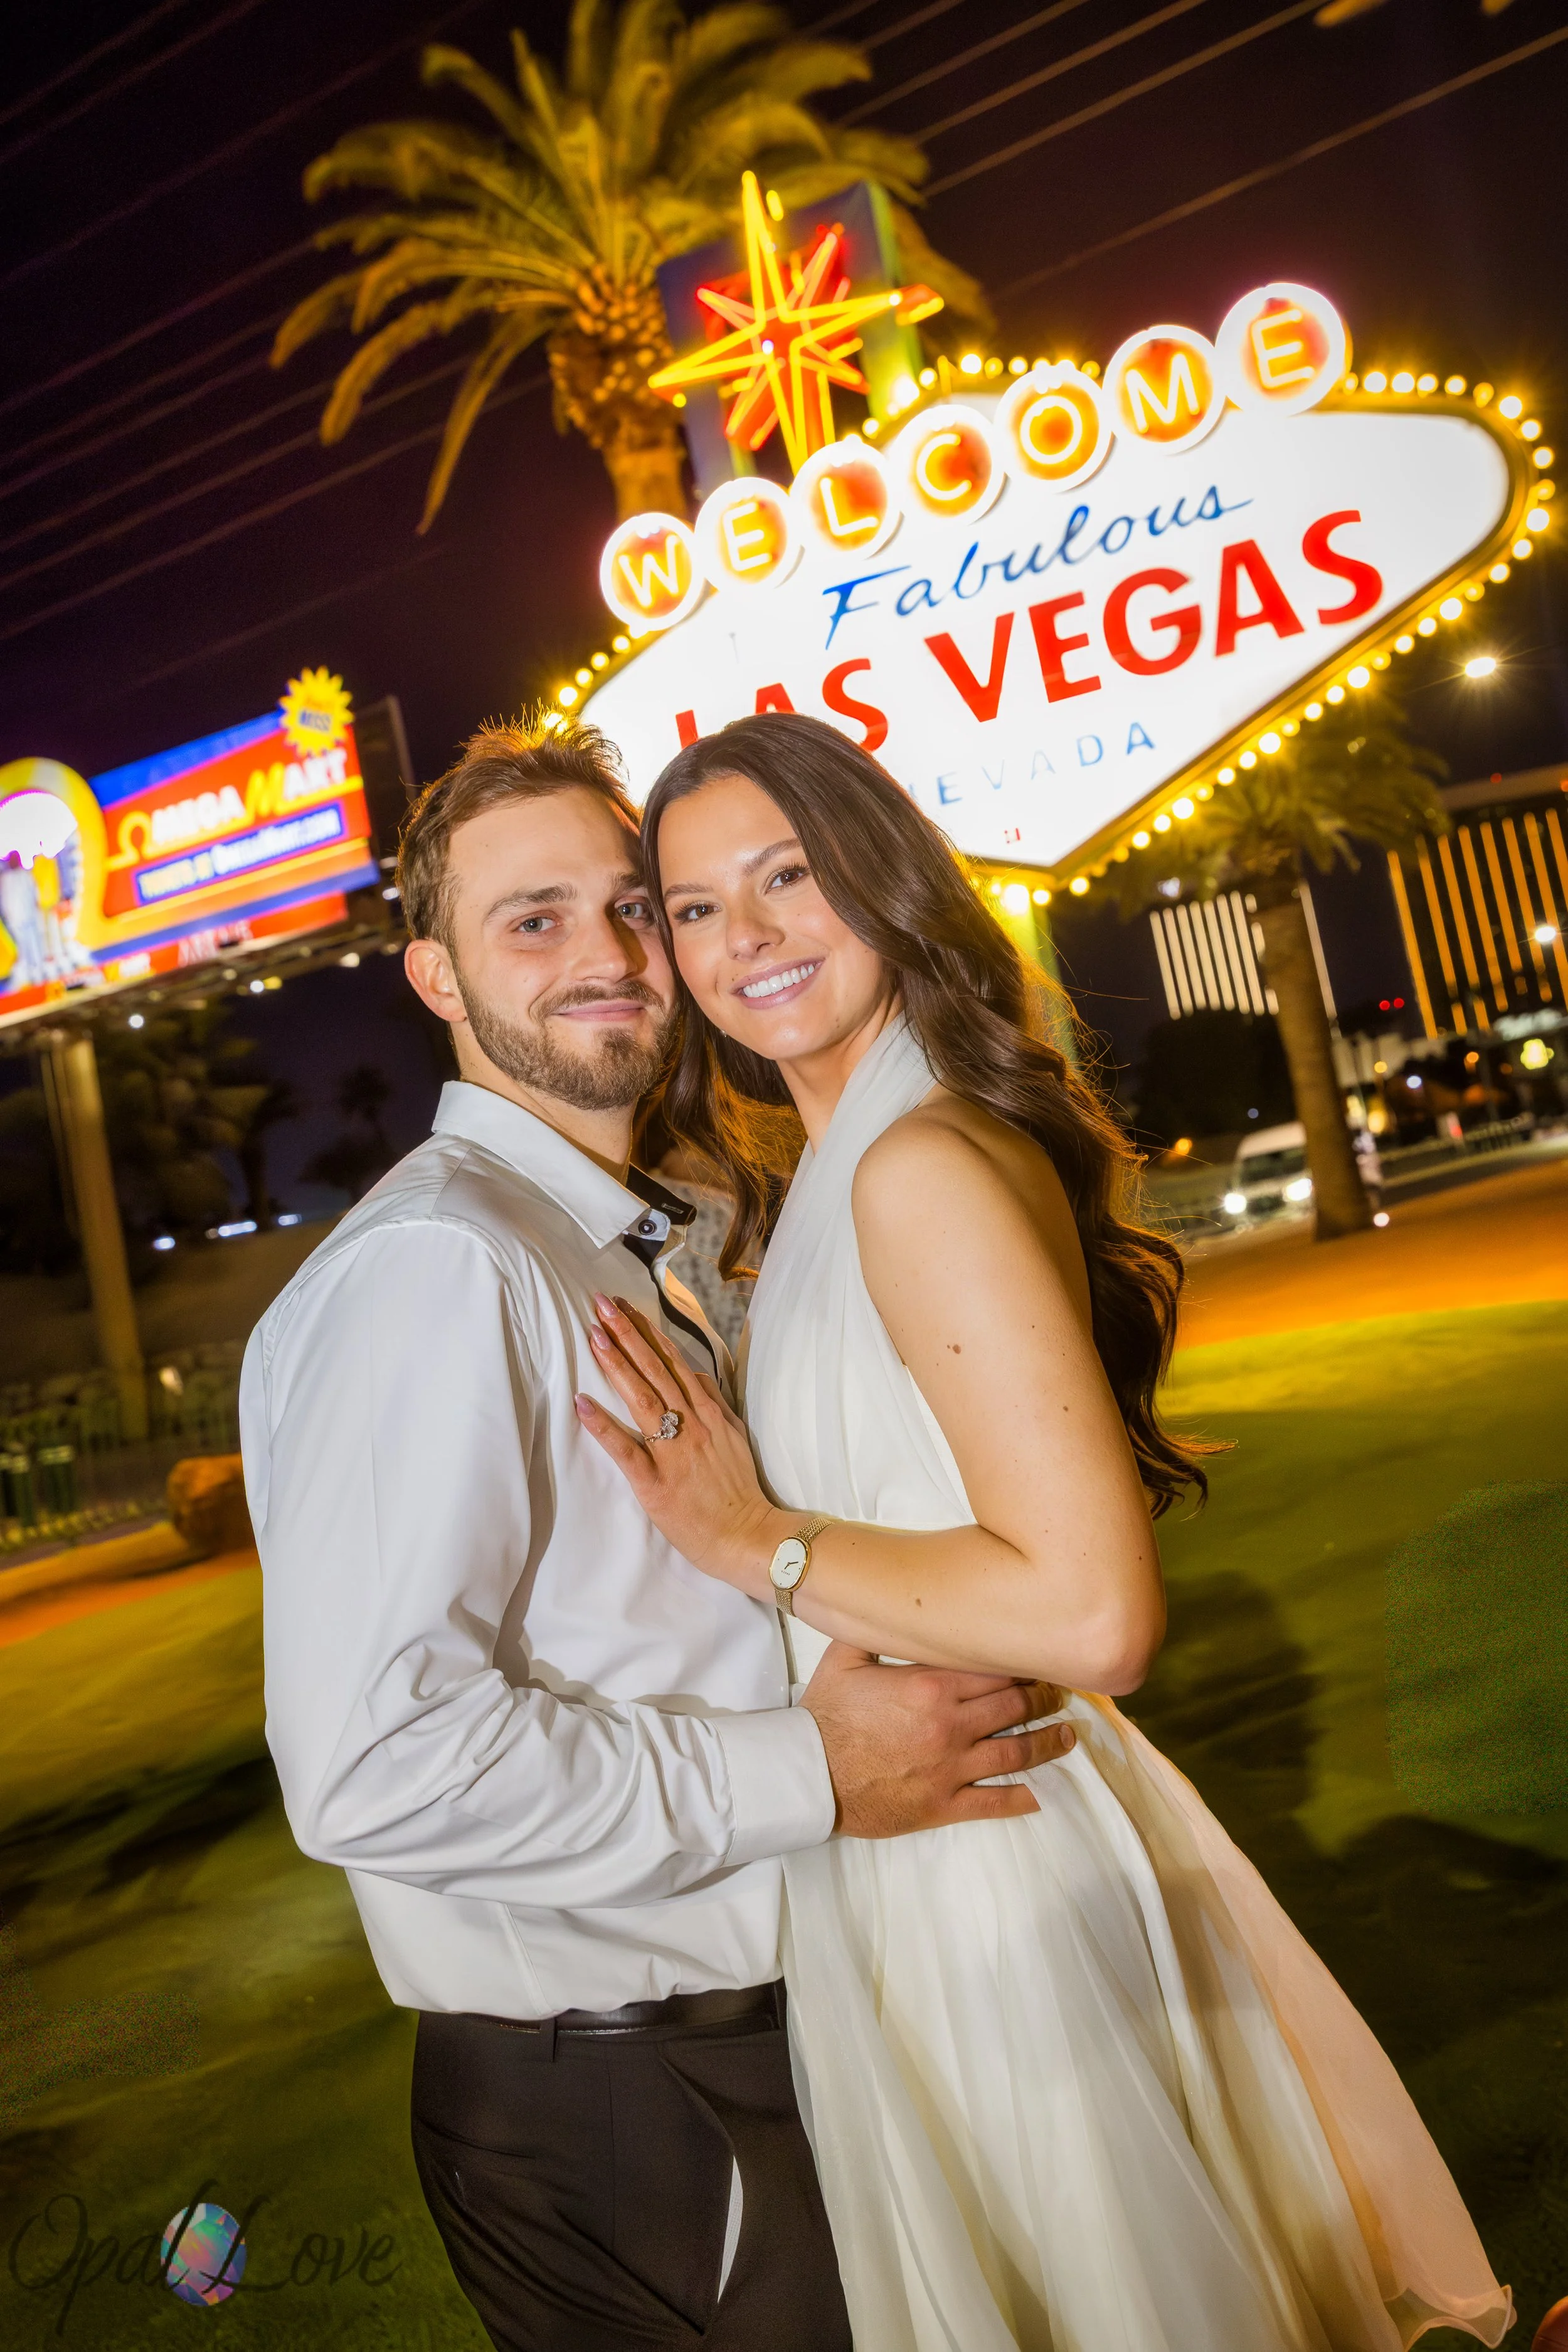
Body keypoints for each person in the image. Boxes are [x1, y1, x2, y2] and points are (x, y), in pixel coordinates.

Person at [577, 711, 1513, 2352]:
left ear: (880, 874)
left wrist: (756, 1539)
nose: (748, 938)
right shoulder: (850, 1156)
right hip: (941, 1816)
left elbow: (1092, 1612)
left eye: (788, 875)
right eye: (698, 904)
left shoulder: (913, 1163)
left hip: (986, 1855)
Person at [240, 719, 1076, 2352]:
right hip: (623, 2084)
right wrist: (809, 1769)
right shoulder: (441, 1266)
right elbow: (373, 1762)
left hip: (729, 2037)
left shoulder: (616, 1239)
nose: (611, 957)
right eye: (530, 921)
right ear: (434, 980)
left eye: (632, 907)